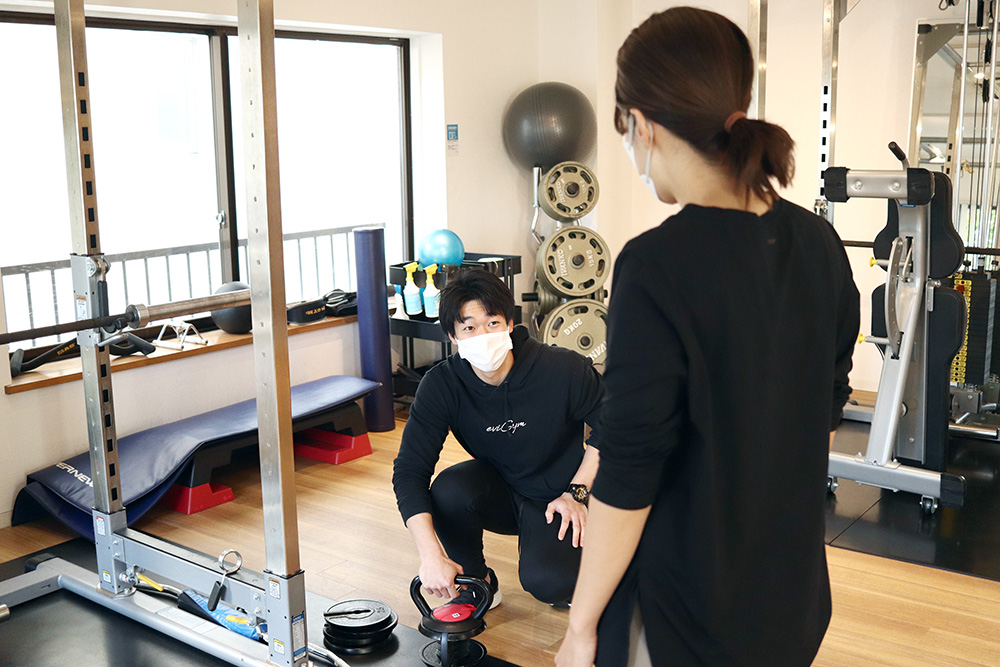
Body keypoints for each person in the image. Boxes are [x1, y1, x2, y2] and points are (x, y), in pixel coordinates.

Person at [555, 7, 860, 667]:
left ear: (641, 125)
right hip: (791, 603)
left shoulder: (654, 266)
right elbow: (826, 415)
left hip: (692, 618)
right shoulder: (820, 243)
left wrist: (579, 627)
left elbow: (628, 470)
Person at [392, 268, 603, 617]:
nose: (483, 335)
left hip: (561, 494)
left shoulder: (562, 369)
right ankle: (478, 583)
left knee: (551, 584)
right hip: (502, 489)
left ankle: (590, 547)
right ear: (452, 336)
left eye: (492, 323)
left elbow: (614, 428)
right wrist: (430, 555)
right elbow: (409, 470)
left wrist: (578, 492)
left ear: (509, 323)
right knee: (448, 490)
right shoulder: (442, 385)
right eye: (469, 328)